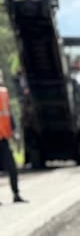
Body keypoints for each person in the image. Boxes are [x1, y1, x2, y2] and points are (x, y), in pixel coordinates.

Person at [0, 69, 25, 204]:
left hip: (4, 137)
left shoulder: (4, 93)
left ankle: (16, 194)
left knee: (12, 168)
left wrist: (14, 130)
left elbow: (8, 114)